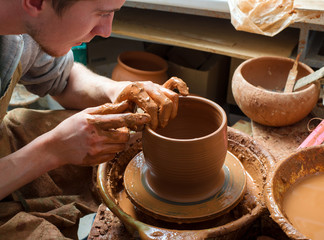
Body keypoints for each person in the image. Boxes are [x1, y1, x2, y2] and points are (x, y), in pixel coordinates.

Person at [0, 0, 188, 239]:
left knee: (121, 135)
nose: (106, 31)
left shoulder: (24, 32)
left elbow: (64, 78)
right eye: (101, 13)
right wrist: (52, 150)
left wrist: (118, 90)